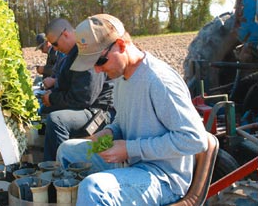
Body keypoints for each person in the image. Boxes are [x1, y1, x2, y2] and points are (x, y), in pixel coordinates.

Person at [56, 14, 208, 205]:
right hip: (131, 162)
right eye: (91, 63)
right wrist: (110, 131)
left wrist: (130, 149)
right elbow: (123, 119)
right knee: (67, 150)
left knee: (94, 189)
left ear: (120, 44)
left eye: (99, 61)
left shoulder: (159, 81)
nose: (96, 70)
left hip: (162, 177)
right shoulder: (121, 77)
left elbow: (195, 140)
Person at [41, 18, 115, 161]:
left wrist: (52, 98)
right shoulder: (71, 55)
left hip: (98, 112)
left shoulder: (86, 53)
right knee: (44, 110)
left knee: (57, 120)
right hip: (86, 107)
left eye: (55, 44)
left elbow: (84, 98)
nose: (54, 49)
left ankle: (65, 169)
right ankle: (50, 164)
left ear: (65, 34)